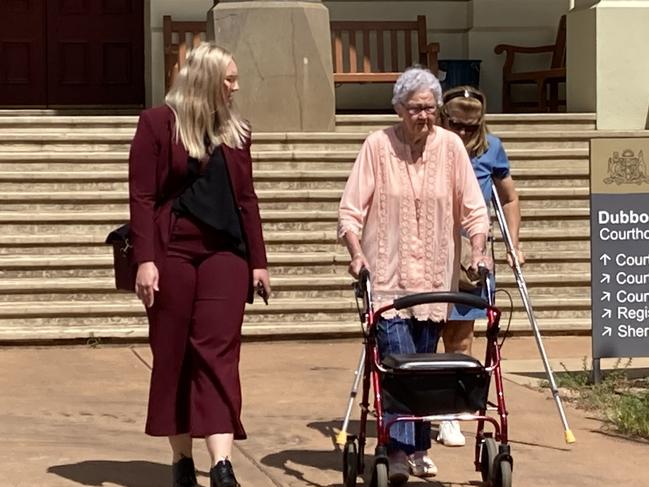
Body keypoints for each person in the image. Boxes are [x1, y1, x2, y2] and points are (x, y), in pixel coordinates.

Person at [337, 67, 490, 486]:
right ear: (398, 109)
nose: (423, 116)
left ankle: (417, 446)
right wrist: (355, 252)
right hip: (387, 279)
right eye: (414, 108)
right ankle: (398, 451)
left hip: (435, 280)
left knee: (426, 367)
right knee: (399, 364)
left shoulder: (452, 148)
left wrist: (478, 249)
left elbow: (474, 209)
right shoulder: (377, 146)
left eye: (429, 108)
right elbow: (351, 210)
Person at [129, 42, 270, 487]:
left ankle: (223, 464)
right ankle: (182, 459)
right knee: (173, 354)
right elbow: (143, 197)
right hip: (172, 252)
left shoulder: (237, 131)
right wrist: (145, 260)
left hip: (225, 254)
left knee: (218, 353)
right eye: (229, 78)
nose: (236, 86)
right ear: (206, 79)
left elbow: (247, 200)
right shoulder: (156, 125)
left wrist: (258, 262)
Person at [438, 85, 524, 447]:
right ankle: (422, 404)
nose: (462, 133)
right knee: (424, 332)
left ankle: (450, 409)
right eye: (456, 124)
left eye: (470, 127)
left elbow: (510, 197)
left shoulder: (492, 149)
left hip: (468, 252)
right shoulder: (430, 147)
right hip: (426, 246)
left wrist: (514, 243)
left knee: (461, 335)